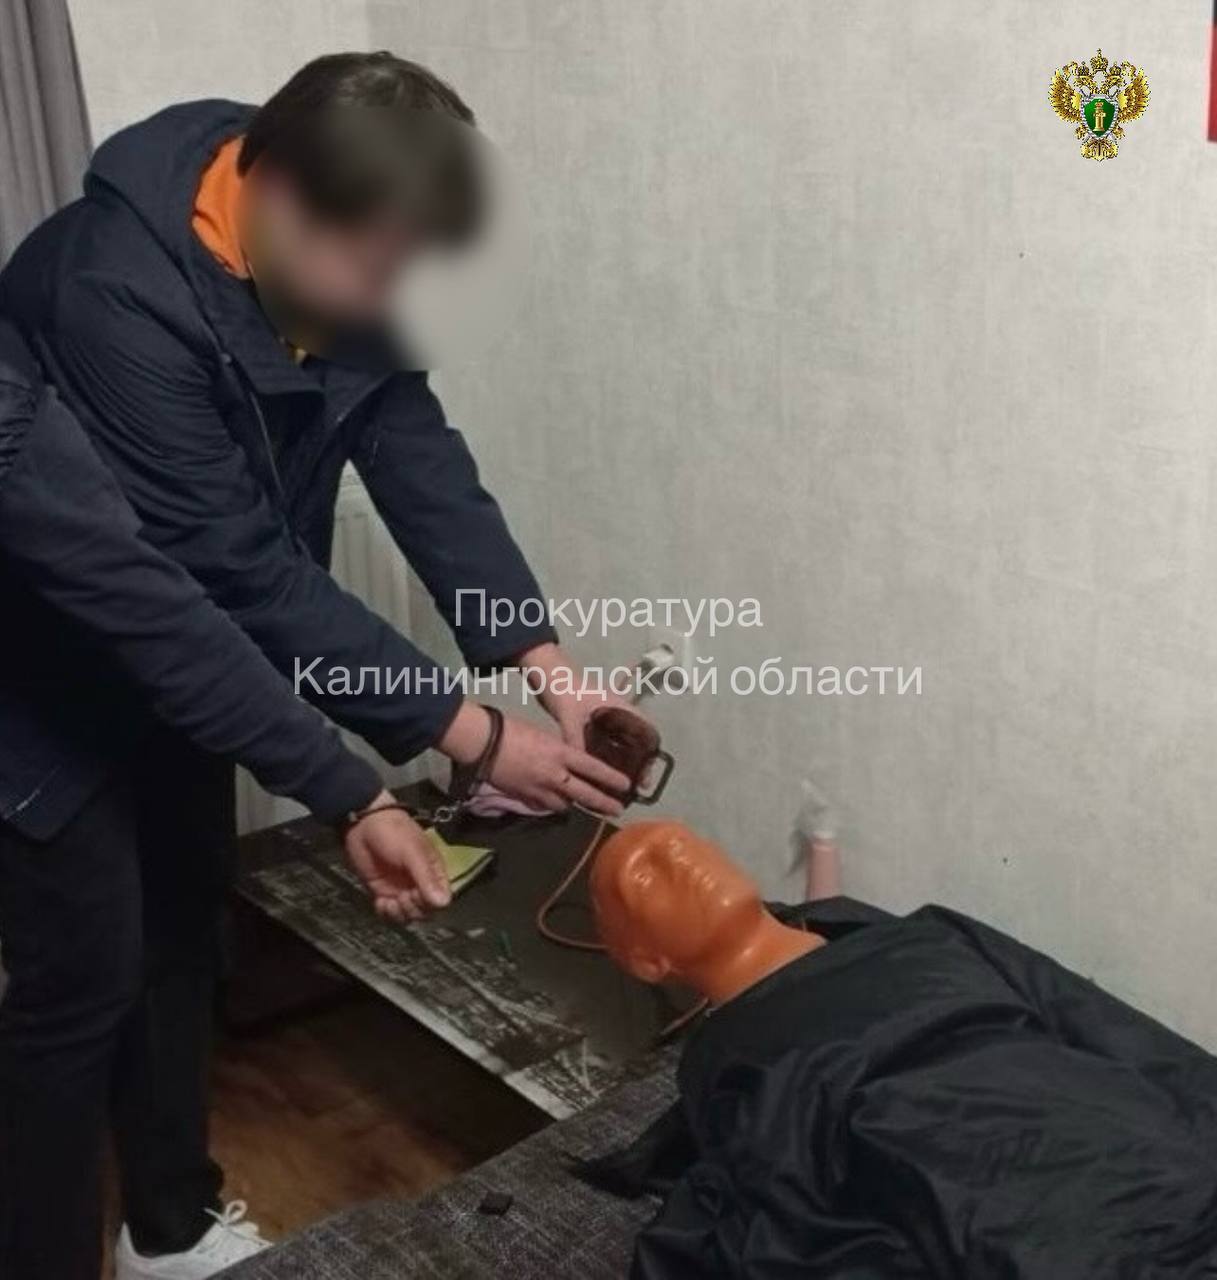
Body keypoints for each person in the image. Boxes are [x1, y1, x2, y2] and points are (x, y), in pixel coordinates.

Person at [0, 52, 633, 1280]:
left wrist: (547, 666)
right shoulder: (106, 293)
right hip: (42, 683)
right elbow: (242, 571)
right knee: (81, 983)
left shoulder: (336, 224)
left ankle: (167, 1225)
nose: (383, 298)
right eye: (373, 268)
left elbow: (417, 458)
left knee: (183, 933)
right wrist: (469, 739)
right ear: (275, 195)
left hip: (196, 667)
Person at [589, 821, 1217, 1279]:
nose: (679, 859)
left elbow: (1099, 1019)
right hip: (1033, 1236)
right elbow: (806, 1237)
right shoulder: (739, 1077)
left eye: (683, 841)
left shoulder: (929, 933)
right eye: (645, 874)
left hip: (1158, 1161)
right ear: (646, 960)